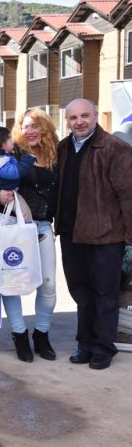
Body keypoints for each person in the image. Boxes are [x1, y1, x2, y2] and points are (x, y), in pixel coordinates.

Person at [55, 98, 132, 370]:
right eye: (74, 117)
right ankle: (85, 344)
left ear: (95, 116)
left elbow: (128, 195)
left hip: (105, 236)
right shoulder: (63, 148)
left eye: (85, 116)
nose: (79, 122)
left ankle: (103, 348)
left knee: (105, 294)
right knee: (81, 293)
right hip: (70, 233)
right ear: (67, 121)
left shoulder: (115, 148)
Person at [0, 108, 59, 362]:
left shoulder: (57, 153)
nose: (30, 131)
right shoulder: (10, 152)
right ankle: (19, 333)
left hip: (43, 225)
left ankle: (42, 334)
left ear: (45, 128)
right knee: (11, 282)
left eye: (36, 125)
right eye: (25, 126)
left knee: (48, 284)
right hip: (10, 223)